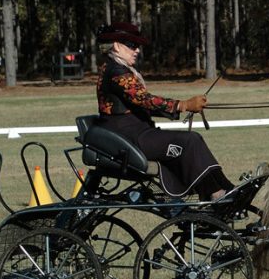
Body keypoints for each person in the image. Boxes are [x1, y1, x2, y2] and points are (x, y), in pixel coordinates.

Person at [95, 22, 233, 201]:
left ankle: (225, 188)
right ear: (116, 45)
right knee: (188, 141)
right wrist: (182, 105)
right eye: (132, 45)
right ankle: (218, 193)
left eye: (137, 46)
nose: (137, 50)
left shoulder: (119, 69)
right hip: (127, 138)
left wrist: (182, 107)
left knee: (192, 140)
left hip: (136, 133)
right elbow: (143, 99)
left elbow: (140, 104)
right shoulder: (116, 72)